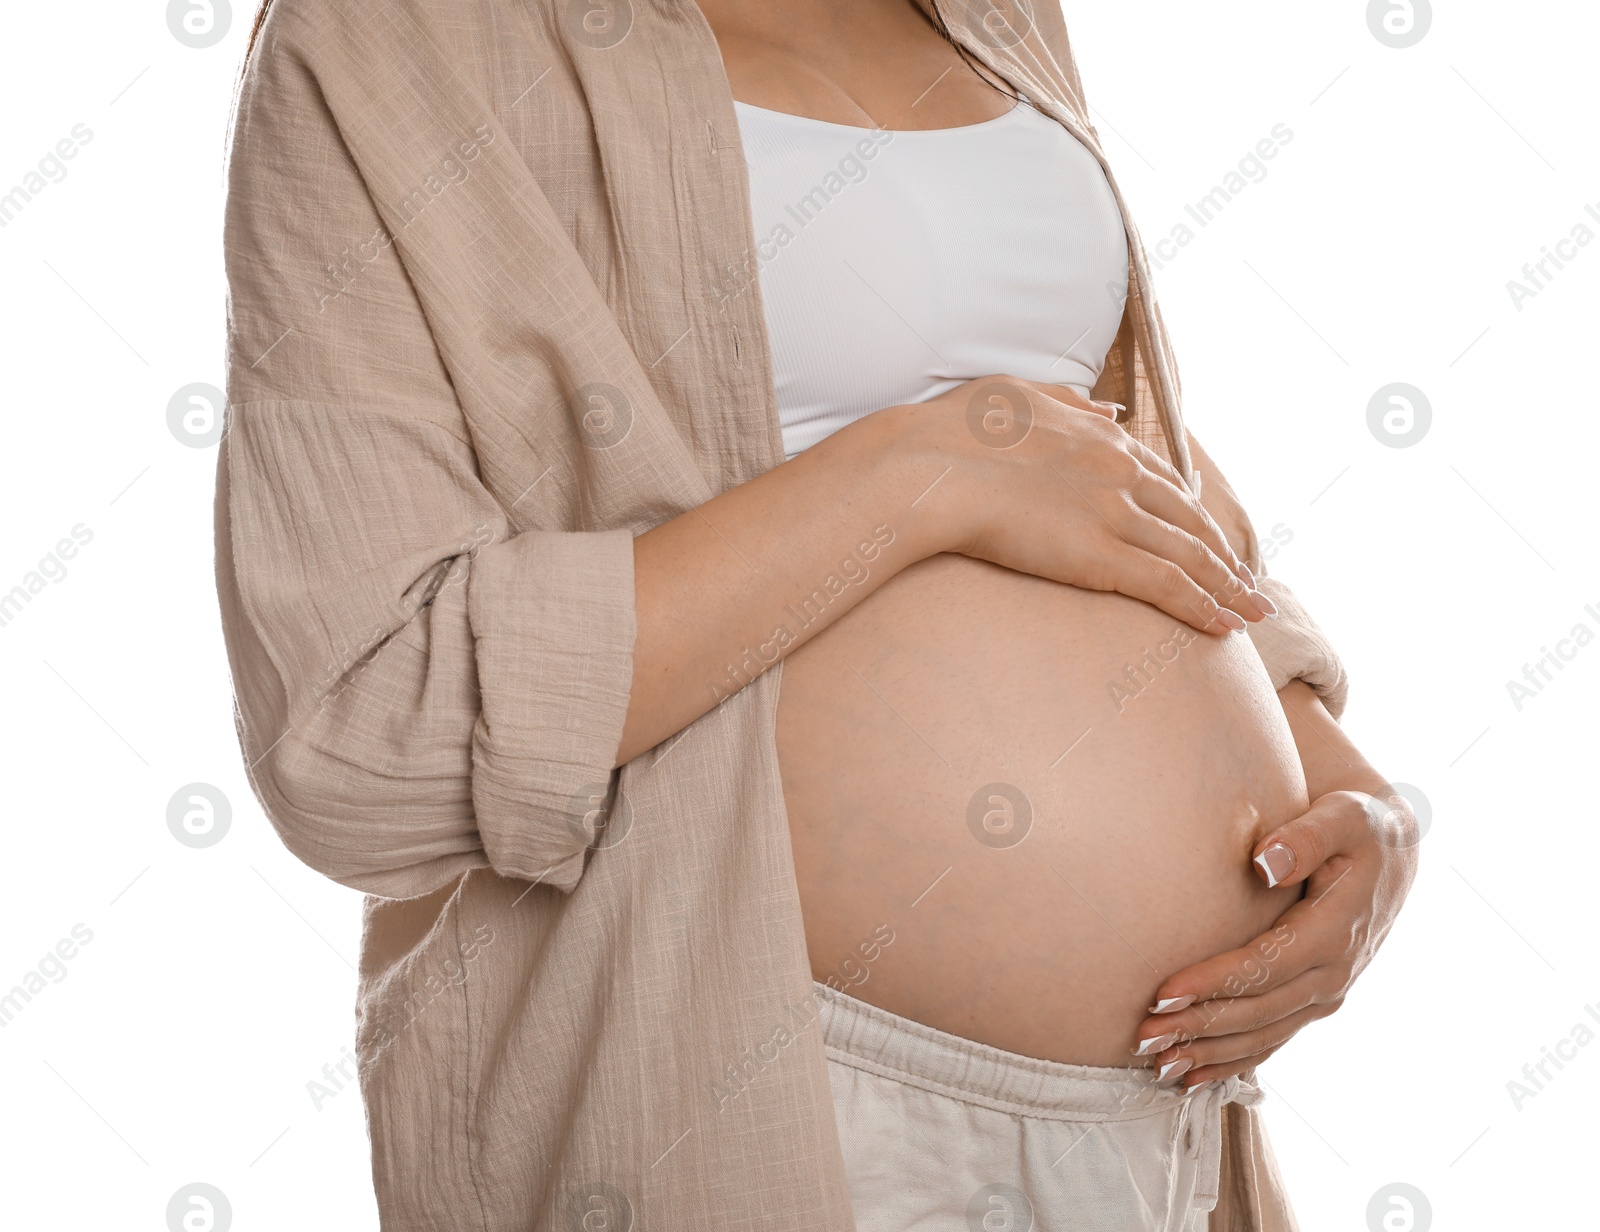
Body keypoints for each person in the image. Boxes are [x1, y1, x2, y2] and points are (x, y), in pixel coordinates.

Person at [218, 0, 1417, 1227]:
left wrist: (1341, 790)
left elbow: (1103, 454)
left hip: (1164, 1121)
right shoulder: (393, 34)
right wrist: (912, 476)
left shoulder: (996, 11)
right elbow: (356, 730)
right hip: (760, 1079)